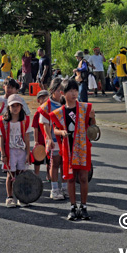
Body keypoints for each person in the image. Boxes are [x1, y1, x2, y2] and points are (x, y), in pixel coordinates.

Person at [50, 78, 96, 221]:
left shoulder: (85, 108)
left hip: (82, 148)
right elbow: (55, 130)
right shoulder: (58, 112)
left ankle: (84, 206)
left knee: (83, 178)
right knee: (70, 179)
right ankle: (72, 206)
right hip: (68, 149)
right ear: (63, 93)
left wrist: (93, 118)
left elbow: (93, 129)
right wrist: (62, 133)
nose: (74, 93)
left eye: (75, 90)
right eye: (70, 90)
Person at [0, 94, 30, 208]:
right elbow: (1, 139)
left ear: (21, 107)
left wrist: (28, 153)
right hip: (10, 151)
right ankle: (10, 197)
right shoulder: (4, 122)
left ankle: (21, 197)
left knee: (21, 174)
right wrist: (3, 154)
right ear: (9, 107)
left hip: (21, 151)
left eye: (18, 105)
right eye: (13, 106)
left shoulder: (24, 121)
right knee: (10, 174)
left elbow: (26, 138)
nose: (15, 108)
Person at [39, 78, 66, 200]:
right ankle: (54, 189)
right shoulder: (47, 106)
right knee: (55, 164)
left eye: (63, 90)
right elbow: (45, 124)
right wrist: (49, 139)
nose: (62, 92)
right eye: (60, 90)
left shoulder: (67, 102)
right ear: (53, 90)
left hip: (66, 139)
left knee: (65, 164)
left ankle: (65, 187)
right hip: (54, 140)